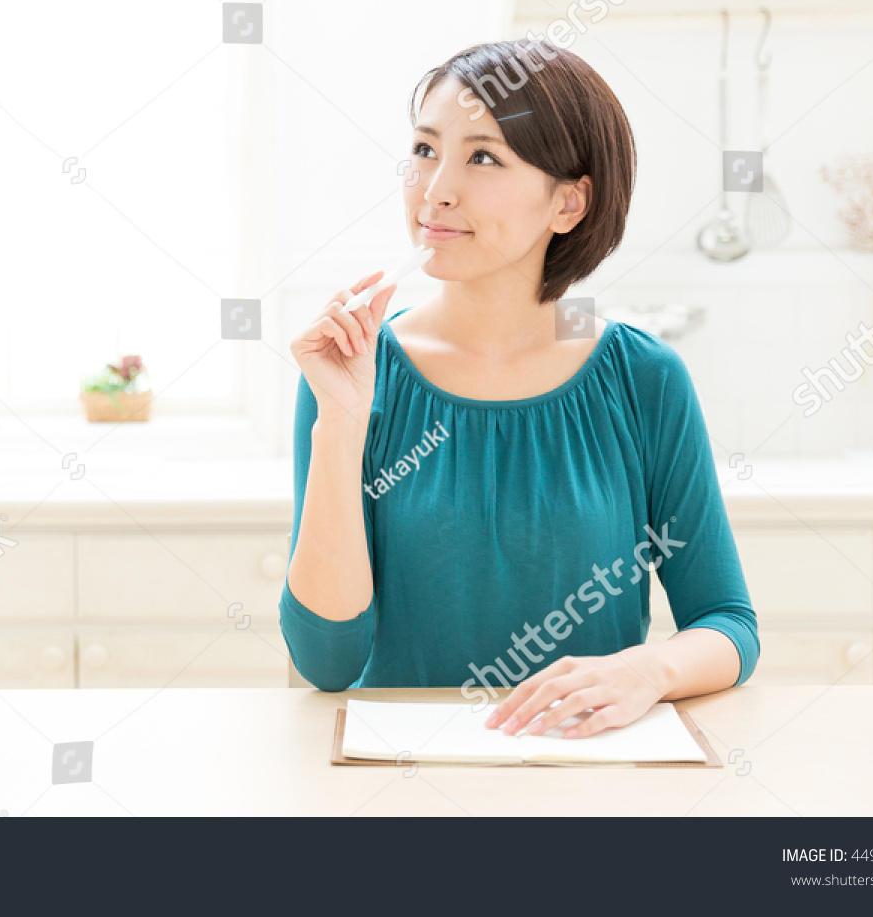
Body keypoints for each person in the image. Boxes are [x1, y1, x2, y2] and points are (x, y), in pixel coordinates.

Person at [281, 39, 759, 740]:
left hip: (585, 780)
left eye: (482, 157)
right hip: (404, 785)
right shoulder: (351, 372)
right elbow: (327, 660)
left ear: (568, 202)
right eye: (423, 149)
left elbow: (727, 622)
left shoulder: (643, 377)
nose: (435, 188)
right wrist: (342, 420)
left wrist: (649, 669)